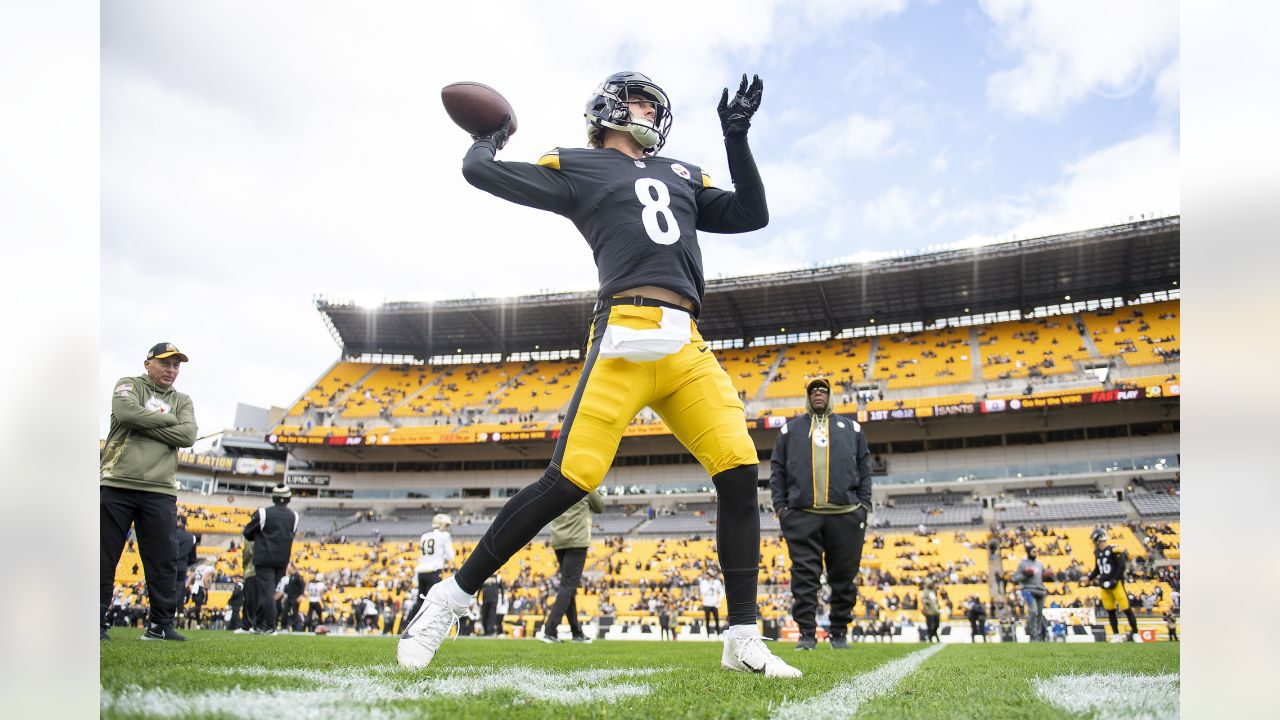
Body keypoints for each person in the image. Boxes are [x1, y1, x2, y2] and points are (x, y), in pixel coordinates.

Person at [399, 71, 800, 678]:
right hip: (624, 333)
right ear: (610, 109)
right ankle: (448, 599)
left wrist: (736, 138)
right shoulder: (580, 166)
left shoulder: (682, 174)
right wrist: (493, 135)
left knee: (741, 473)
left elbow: (752, 213)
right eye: (641, 101)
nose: (651, 112)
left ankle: (742, 636)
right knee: (570, 479)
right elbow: (481, 172)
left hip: (686, 341)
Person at [100, 342, 198, 642]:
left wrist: (147, 422)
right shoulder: (129, 385)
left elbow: (188, 435)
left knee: (164, 560)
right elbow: (126, 414)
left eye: (176, 365)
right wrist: (169, 422)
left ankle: (160, 625)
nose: (171, 370)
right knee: (102, 557)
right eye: (165, 363)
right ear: (148, 364)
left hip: (160, 489)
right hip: (117, 482)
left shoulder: (182, 399)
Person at [769, 377, 872, 651]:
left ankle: (839, 632)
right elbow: (777, 470)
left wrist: (864, 505)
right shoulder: (790, 431)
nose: (818, 393)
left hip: (847, 513)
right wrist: (781, 508)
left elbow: (865, 468)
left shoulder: (852, 428)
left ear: (830, 396)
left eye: (823, 390)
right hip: (802, 514)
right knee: (804, 578)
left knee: (844, 577)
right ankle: (806, 634)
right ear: (807, 396)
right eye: (813, 390)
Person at [541, 488, 605, 643]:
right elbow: (599, 507)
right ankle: (550, 630)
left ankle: (576, 632)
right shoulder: (586, 486)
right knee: (568, 585)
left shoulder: (557, 485)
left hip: (558, 540)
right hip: (577, 541)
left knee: (569, 587)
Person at [242, 484, 298, 634]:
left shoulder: (263, 513)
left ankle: (270, 626)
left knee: (266, 593)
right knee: (268, 591)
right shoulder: (294, 516)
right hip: (282, 561)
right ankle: (259, 625)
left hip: (264, 558)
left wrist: (261, 536)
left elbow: (247, 533)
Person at [1081, 528, 1139, 642]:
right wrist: (1089, 577)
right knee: (1110, 611)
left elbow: (1122, 566)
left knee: (1126, 608)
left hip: (1116, 584)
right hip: (1104, 585)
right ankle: (1116, 635)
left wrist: (1115, 579)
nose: (1093, 543)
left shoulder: (1114, 549)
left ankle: (1136, 633)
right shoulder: (1097, 553)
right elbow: (1098, 569)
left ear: (1098, 539)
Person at [408, 514, 455, 623]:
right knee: (435, 601)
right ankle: (430, 626)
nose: (447, 527)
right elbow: (450, 556)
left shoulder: (424, 536)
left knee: (420, 601)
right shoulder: (444, 536)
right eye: (446, 525)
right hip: (434, 571)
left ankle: (411, 624)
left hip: (421, 572)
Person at [1013, 542, 1048, 641]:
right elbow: (1015, 578)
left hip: (1040, 591)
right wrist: (1026, 575)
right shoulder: (1022, 564)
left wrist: (1048, 576)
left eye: (1037, 551)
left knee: (1039, 613)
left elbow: (1042, 577)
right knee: (1033, 611)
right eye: (1033, 551)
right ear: (1028, 552)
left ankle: (1039, 634)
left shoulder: (1040, 564)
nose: (1036, 553)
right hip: (1028, 590)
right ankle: (1033, 635)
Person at [173, 515, 198, 610]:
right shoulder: (192, 537)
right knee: (179, 590)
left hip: (169, 565)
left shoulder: (170, 533)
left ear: (179, 521)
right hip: (182, 567)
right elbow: (193, 558)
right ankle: (177, 612)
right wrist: (191, 569)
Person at [698, 569, 725, 636]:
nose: (706, 575)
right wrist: (709, 587)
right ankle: (708, 635)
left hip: (714, 604)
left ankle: (718, 634)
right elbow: (702, 592)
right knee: (707, 619)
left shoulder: (717, 582)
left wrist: (719, 599)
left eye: (707, 574)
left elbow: (722, 592)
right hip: (706, 603)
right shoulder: (703, 582)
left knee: (716, 619)